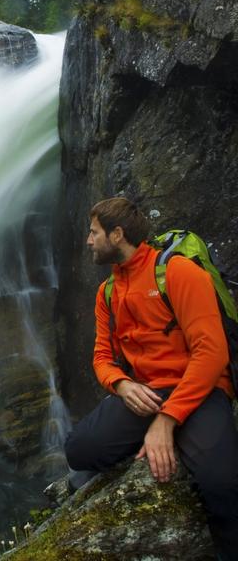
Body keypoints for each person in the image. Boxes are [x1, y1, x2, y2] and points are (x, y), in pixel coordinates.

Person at [64, 197, 238, 559]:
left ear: (117, 234)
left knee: (221, 483)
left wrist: (166, 421)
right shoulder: (108, 292)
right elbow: (101, 358)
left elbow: (212, 354)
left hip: (201, 389)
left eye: (94, 232)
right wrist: (122, 385)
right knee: (79, 449)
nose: (88, 241)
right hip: (145, 391)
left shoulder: (177, 272)